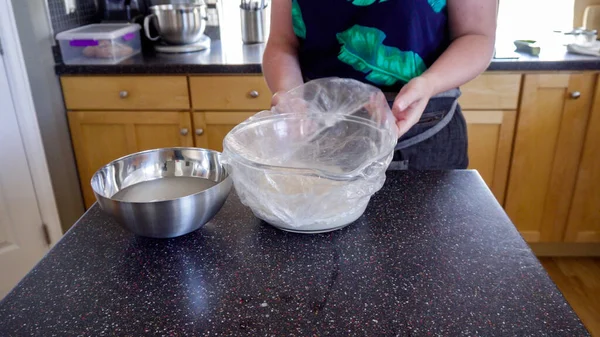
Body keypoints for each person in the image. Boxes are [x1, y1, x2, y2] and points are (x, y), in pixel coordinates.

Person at [262, 0, 497, 170]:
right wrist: (291, 96)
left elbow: (476, 35)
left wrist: (429, 83)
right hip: (318, 132)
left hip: (423, 138)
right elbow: (282, 42)